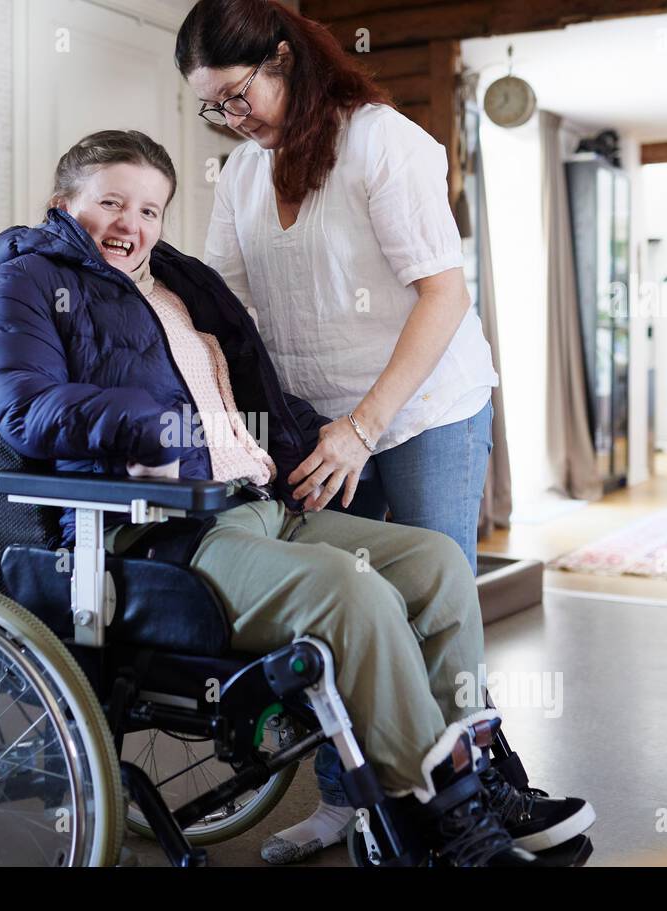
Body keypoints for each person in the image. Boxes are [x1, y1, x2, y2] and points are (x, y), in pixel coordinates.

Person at [0, 129, 592, 867]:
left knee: (435, 564)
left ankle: (471, 776)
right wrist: (166, 434)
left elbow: (249, 394)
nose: (130, 224)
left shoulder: (177, 284)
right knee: (347, 594)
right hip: (161, 530)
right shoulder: (30, 279)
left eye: (149, 209)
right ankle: (448, 816)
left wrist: (313, 441)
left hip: (257, 504)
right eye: (110, 202)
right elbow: (23, 406)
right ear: (62, 202)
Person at [176, 0, 545, 862]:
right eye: (214, 108)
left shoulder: (382, 143)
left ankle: (465, 792)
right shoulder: (239, 174)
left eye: (237, 97)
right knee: (337, 615)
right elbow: (220, 311)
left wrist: (365, 428)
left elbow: (444, 295)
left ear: (282, 59)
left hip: (418, 411)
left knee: (425, 601)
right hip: (314, 424)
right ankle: (347, 802)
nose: (232, 120)